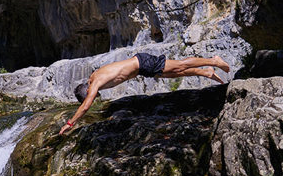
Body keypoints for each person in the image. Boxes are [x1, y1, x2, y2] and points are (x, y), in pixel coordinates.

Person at [59, 52, 230, 135]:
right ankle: (205, 72)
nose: (95, 97)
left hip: (142, 63)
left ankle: (213, 61)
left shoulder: (94, 83)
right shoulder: (94, 76)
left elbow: (85, 106)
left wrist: (70, 123)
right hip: (141, 68)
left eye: (93, 95)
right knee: (174, 74)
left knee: (179, 65)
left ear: (88, 91)